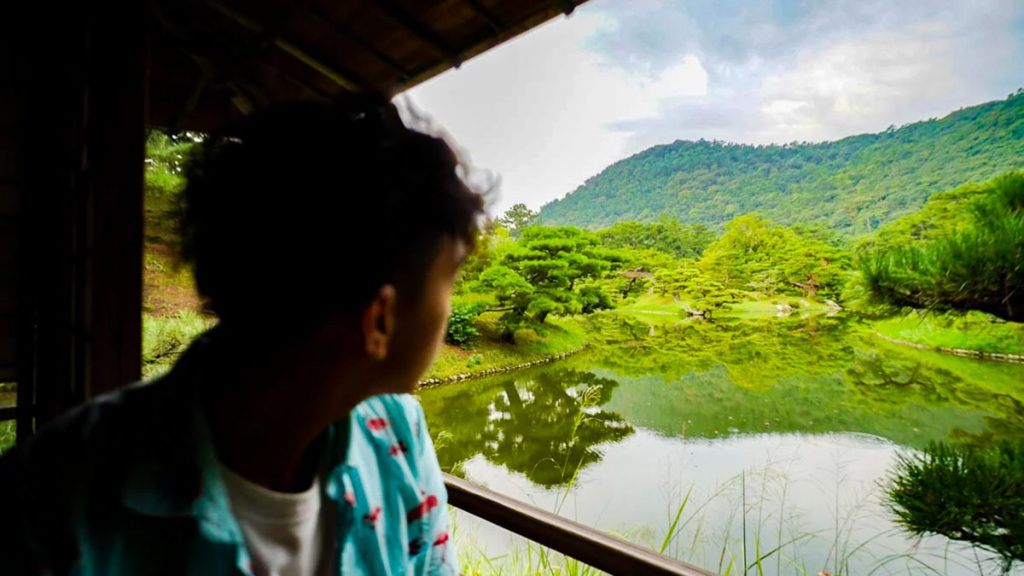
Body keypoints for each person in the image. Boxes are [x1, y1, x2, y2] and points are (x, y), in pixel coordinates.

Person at [0, 95, 485, 575]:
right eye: (452, 279)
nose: (451, 307)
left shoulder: (399, 438)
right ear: (380, 319)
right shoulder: (49, 504)